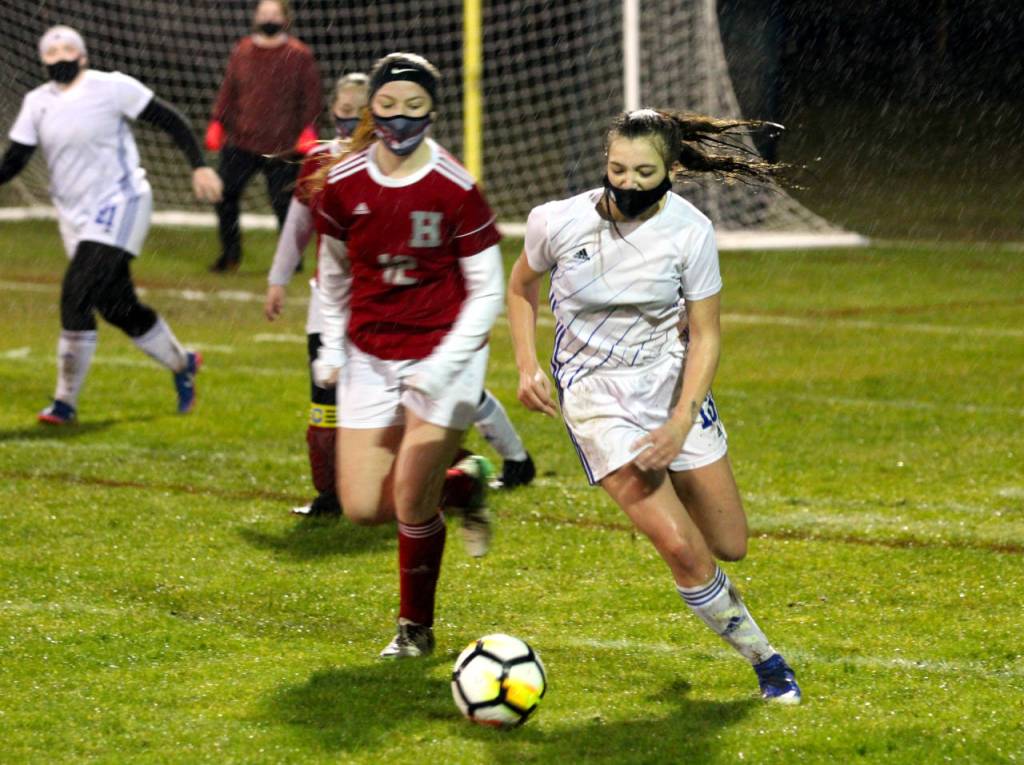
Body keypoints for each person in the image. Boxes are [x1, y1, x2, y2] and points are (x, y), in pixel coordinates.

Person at [507, 108, 801, 703]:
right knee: (679, 546)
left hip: (672, 386)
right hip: (596, 398)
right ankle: (769, 664)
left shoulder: (690, 231)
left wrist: (680, 418)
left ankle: (670, 520)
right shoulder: (557, 221)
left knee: (730, 543)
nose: (628, 183)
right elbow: (520, 285)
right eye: (617, 168)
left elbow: (707, 332)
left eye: (644, 171)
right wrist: (526, 364)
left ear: (671, 169)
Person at [310, 53, 504, 658]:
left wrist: (445, 364)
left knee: (409, 501)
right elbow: (333, 277)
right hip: (371, 354)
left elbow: (488, 289)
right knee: (364, 507)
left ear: (432, 110)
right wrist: (331, 345)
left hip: (444, 354)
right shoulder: (343, 185)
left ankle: (414, 630)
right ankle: (465, 483)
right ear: (371, 109)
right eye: (388, 106)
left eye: (413, 107)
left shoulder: (455, 186)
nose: (399, 118)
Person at [0, 25, 223, 424]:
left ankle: (64, 404)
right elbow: (15, 160)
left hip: (121, 201)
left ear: (83, 55)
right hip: (75, 218)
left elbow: (169, 119)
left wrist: (199, 166)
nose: (59, 54)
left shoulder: (112, 86)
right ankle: (182, 362)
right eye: (51, 50)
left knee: (75, 294)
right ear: (42, 60)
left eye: (68, 48)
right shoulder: (37, 102)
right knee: (119, 308)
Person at [205, 0, 321, 273]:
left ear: (285, 18)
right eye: (264, 13)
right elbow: (228, 91)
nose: (268, 18)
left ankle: (291, 260)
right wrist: (217, 122)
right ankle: (230, 256)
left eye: (274, 13)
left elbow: (312, 97)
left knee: (285, 206)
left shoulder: (299, 55)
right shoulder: (242, 50)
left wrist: (309, 129)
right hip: (241, 141)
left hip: (283, 146)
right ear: (256, 17)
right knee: (223, 197)